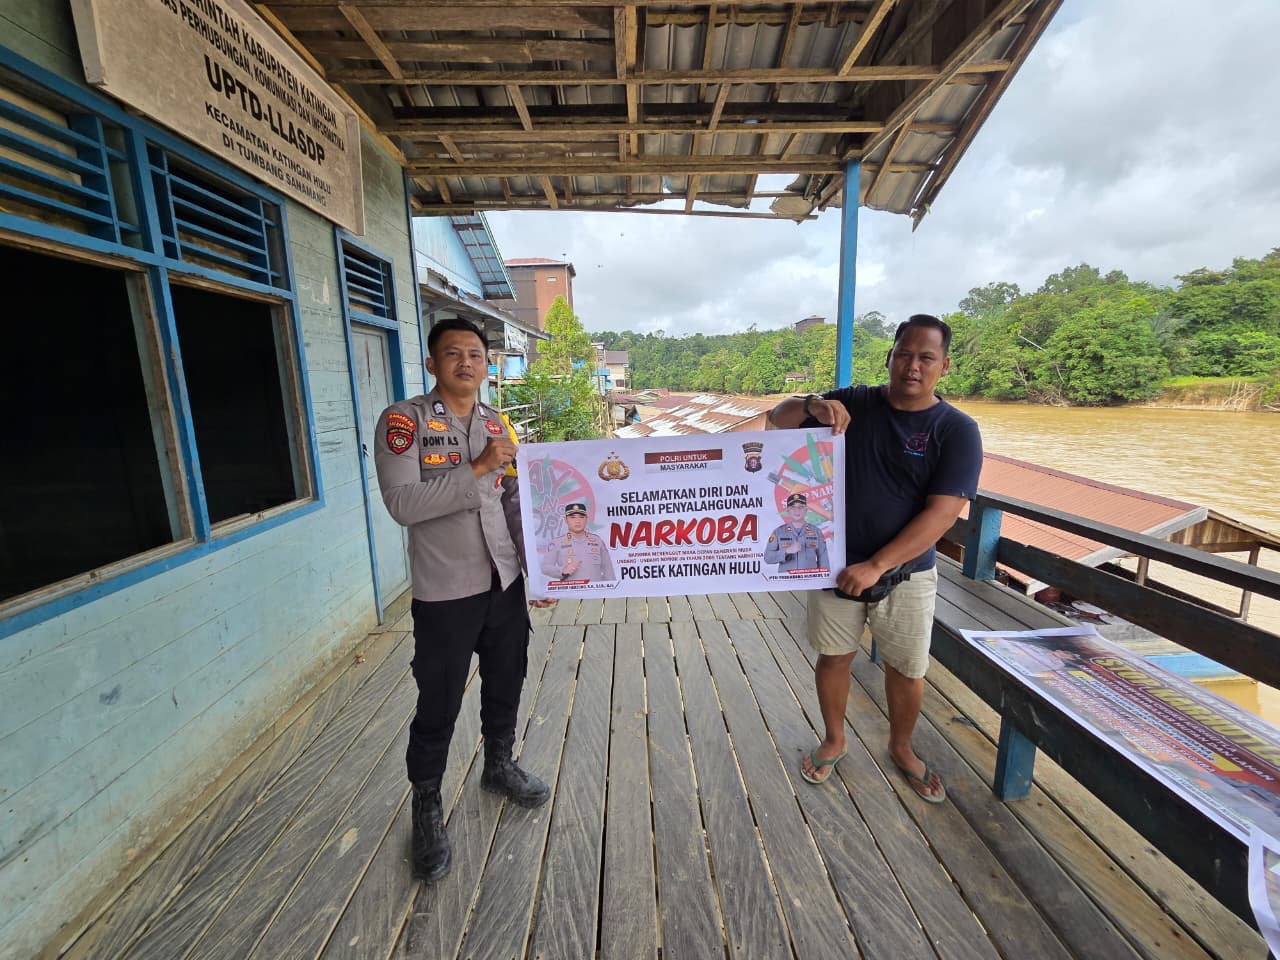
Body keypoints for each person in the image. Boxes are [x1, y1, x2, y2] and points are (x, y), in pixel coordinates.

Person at [767, 314, 982, 803]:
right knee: (833, 657)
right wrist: (812, 405)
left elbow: (943, 513)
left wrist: (877, 566)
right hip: (832, 563)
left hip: (906, 573)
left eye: (926, 358)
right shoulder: (853, 402)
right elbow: (777, 419)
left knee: (906, 668)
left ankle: (902, 747)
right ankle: (834, 739)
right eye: (904, 354)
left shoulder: (956, 430)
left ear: (945, 366)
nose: (912, 366)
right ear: (889, 357)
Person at [374, 317, 554, 884]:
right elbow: (402, 504)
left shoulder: (498, 424)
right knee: (439, 699)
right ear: (432, 363)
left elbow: (513, 500)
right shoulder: (404, 422)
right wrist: (475, 467)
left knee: (506, 681)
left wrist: (539, 568)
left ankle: (498, 764)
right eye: (453, 354)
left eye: (475, 354)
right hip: (445, 591)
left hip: (504, 583)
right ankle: (426, 802)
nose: (466, 363)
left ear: (486, 364)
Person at [540, 503, 616, 582]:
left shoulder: (597, 541)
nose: (577, 521)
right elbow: (545, 567)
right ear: (566, 520)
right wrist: (562, 571)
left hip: (594, 589)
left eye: (581, 517)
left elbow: (609, 571)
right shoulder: (557, 543)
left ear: (586, 519)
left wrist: (610, 588)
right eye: (572, 517)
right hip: (569, 589)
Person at [763, 492, 830, 572]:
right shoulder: (778, 532)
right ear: (788, 510)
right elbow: (768, 558)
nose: (797, 510)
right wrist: (787, 551)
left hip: (810, 578)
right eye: (792, 507)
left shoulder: (816, 532)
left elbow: (823, 559)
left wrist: (823, 578)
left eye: (801, 507)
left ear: (806, 510)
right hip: (787, 579)